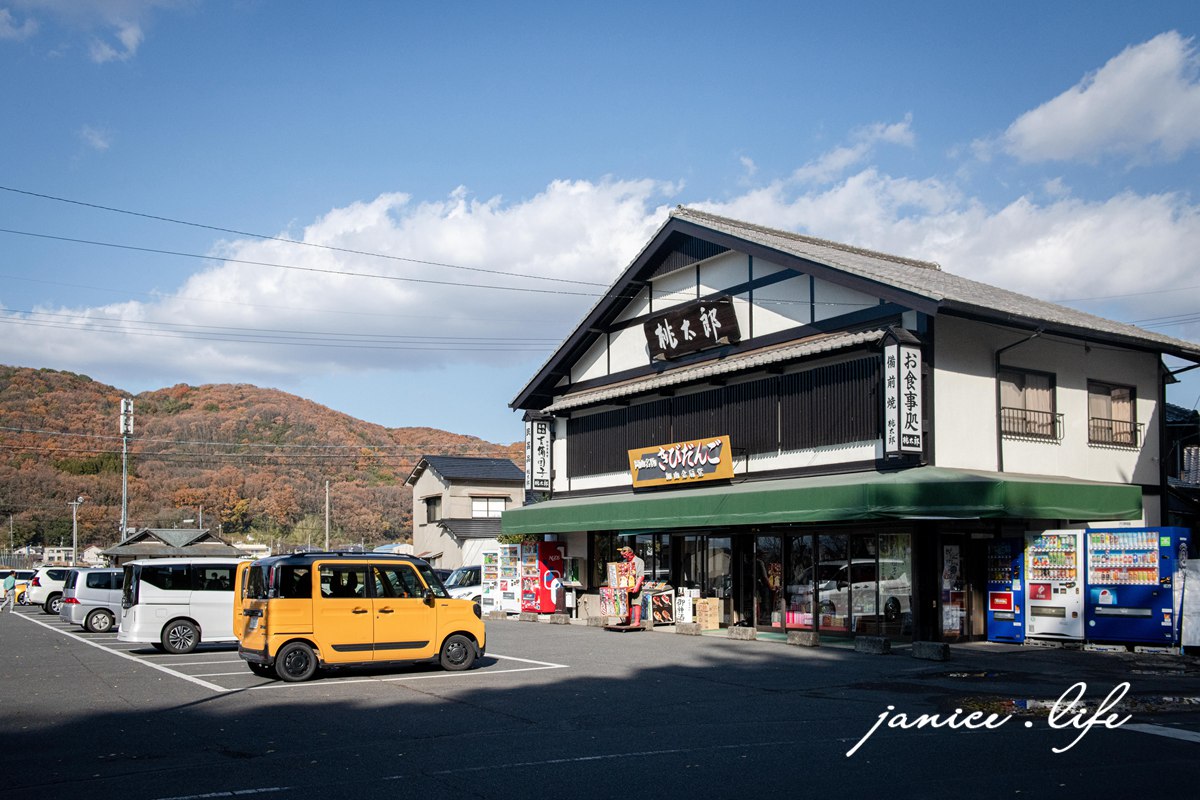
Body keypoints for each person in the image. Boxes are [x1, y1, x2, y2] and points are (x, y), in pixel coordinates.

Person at [618, 546, 645, 624]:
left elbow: (641, 575)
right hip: (626, 585)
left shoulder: (639, 561)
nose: (624, 557)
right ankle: (627, 621)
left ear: (630, 553)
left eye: (625, 555)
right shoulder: (624, 561)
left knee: (636, 603)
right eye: (623, 555)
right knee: (627, 603)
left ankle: (637, 622)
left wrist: (637, 586)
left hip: (636, 584)